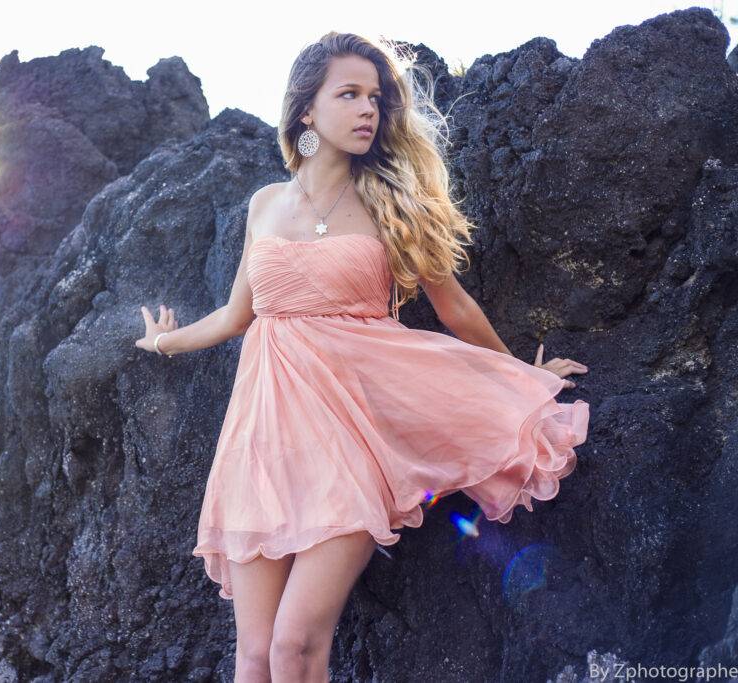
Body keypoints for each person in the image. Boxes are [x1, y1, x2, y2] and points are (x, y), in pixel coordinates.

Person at [135, 31, 590, 683]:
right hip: (262, 438)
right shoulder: (265, 204)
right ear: (306, 111)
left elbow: (455, 305)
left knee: (297, 648)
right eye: (349, 93)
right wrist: (166, 340)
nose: (367, 108)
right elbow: (240, 314)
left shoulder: (391, 202)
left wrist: (523, 378)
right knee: (255, 656)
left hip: (350, 436)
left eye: (375, 96)